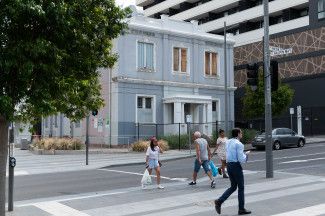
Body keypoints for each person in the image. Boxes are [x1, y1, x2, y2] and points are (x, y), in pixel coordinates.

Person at [214, 128, 251, 215]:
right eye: (241, 133)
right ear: (238, 134)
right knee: (241, 187)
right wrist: (247, 155)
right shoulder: (239, 144)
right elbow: (242, 159)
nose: (241, 134)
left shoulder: (228, 141)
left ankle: (219, 201)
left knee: (233, 186)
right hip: (235, 166)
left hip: (229, 165)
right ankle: (241, 209)